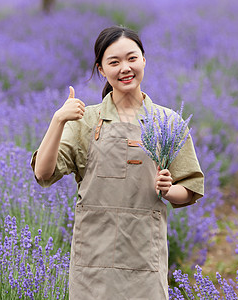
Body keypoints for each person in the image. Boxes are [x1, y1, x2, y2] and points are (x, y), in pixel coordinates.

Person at [31, 25, 204, 300]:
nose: (125, 68)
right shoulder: (85, 120)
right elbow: (43, 174)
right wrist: (58, 119)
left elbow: (190, 189)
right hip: (93, 261)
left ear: (144, 60)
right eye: (114, 62)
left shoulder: (168, 122)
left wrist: (167, 189)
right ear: (101, 69)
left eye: (132, 58)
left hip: (144, 258)